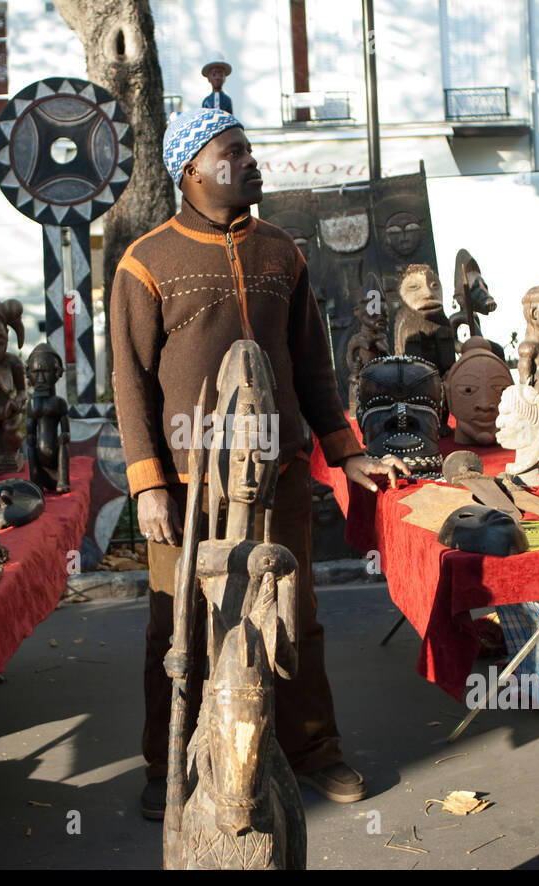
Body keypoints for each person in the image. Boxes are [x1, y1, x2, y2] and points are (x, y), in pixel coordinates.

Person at [110, 107, 409, 820]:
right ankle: (169, 761)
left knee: (294, 615)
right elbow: (128, 380)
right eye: (233, 152)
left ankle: (314, 751)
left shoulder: (283, 252)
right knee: (175, 626)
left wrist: (346, 449)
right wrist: (149, 483)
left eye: (249, 149)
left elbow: (312, 365)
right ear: (191, 170)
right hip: (186, 485)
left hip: (279, 475)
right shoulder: (145, 262)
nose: (250, 161)